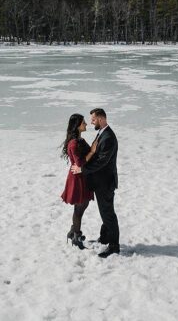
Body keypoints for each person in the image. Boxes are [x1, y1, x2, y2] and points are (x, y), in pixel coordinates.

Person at [71, 107, 119, 258]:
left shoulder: (108, 137)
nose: (91, 123)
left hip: (105, 182)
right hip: (101, 181)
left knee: (108, 214)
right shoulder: (102, 133)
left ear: (101, 119)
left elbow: (102, 161)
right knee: (104, 212)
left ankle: (114, 246)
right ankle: (105, 237)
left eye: (93, 120)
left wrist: (82, 170)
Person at [61, 113, 95, 249]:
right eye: (83, 122)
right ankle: (76, 236)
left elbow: (90, 153)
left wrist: (93, 151)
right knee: (80, 206)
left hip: (83, 176)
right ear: (77, 126)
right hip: (77, 178)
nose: (86, 124)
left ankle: (73, 231)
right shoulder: (74, 143)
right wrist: (92, 152)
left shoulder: (80, 140)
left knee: (82, 205)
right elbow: (79, 162)